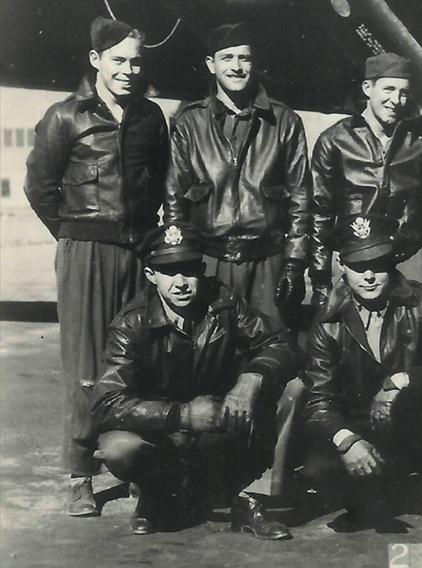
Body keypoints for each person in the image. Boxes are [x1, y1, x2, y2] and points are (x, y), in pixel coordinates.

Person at [23, 16, 169, 517]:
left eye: (136, 61)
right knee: (85, 364)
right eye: (119, 60)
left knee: (138, 358)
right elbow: (39, 188)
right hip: (85, 251)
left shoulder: (150, 116)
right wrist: (74, 236)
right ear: (96, 61)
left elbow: (162, 184)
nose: (129, 70)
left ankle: (137, 467)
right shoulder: (65, 116)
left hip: (139, 252)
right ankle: (80, 474)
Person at [90, 222, 301, 538]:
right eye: (167, 271)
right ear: (150, 276)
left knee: (293, 390)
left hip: (217, 424)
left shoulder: (223, 302)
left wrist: (251, 378)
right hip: (161, 433)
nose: (180, 283)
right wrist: (182, 415)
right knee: (119, 448)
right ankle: (154, 493)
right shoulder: (131, 324)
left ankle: (250, 498)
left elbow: (281, 343)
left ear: (202, 270)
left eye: (187, 270)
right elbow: (107, 403)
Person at [298, 214, 422, 547]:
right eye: (359, 266)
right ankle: (381, 491)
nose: (369, 275)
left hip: (415, 424)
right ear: (342, 268)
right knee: (319, 468)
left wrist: (403, 379)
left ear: (393, 261)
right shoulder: (327, 321)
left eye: (378, 263)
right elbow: (318, 400)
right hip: (362, 430)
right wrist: (347, 441)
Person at [164, 22, 312, 326]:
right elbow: (174, 200)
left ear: (254, 63)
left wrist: (295, 263)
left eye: (244, 58)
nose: (236, 67)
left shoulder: (284, 121)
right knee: (211, 352)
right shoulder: (190, 123)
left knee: (273, 351)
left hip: (267, 261)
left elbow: (301, 197)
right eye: (227, 58)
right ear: (211, 65)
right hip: (209, 261)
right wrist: (179, 261)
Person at [310, 53, 422, 309]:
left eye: (404, 92)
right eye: (389, 89)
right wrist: (321, 280)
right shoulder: (334, 141)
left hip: (407, 260)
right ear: (367, 87)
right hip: (356, 262)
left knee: (413, 341)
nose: (396, 100)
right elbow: (319, 211)